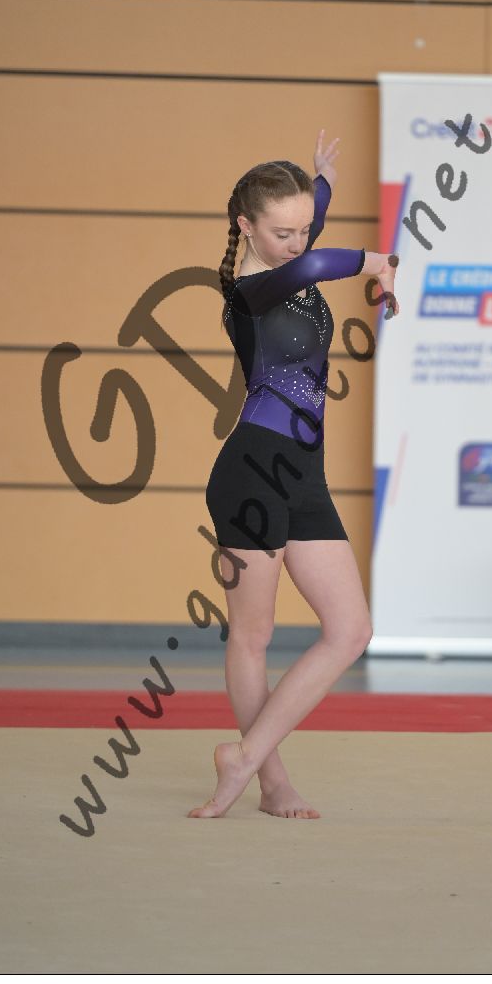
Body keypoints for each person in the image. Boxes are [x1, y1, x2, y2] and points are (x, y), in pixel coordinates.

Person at [194, 129, 400, 819]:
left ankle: (243, 756)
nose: (296, 241)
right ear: (245, 226)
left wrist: (322, 178)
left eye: (304, 228)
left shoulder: (292, 251)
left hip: (304, 473)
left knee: (351, 630)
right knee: (252, 635)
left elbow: (309, 233)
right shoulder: (250, 287)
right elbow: (310, 266)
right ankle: (271, 782)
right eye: (281, 231)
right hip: (252, 471)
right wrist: (378, 260)